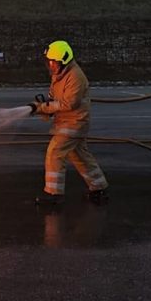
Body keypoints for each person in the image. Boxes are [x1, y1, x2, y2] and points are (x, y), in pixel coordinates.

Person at [28, 40, 109, 205]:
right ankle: (98, 187)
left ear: (63, 60)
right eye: (49, 62)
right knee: (80, 156)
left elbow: (69, 103)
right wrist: (43, 106)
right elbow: (54, 97)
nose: (50, 65)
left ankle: (54, 194)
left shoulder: (75, 76)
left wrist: (44, 107)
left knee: (55, 152)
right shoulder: (58, 75)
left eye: (53, 62)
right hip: (65, 122)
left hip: (74, 123)